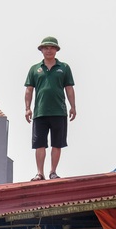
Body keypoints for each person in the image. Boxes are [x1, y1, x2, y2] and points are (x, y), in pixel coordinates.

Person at [24, 36, 76, 181]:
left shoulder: (64, 68)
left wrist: (73, 107)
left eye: (52, 47)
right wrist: (27, 108)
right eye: (46, 48)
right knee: (39, 144)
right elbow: (29, 90)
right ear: (41, 50)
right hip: (40, 112)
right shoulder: (35, 69)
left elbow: (69, 88)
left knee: (57, 143)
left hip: (59, 111)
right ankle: (40, 173)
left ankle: (53, 171)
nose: (49, 50)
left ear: (56, 50)